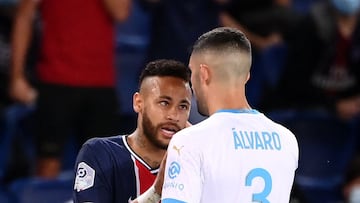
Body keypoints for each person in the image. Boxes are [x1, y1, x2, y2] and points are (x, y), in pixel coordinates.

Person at [160, 27, 299, 202]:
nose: (191, 85)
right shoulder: (287, 140)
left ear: (204, 74)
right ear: (246, 76)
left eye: (191, 73)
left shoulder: (189, 142)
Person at [9, 0, 131, 178]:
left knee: (101, 169)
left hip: (100, 82)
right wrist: (17, 76)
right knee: (47, 164)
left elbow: (120, 12)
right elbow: (23, 16)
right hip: (55, 79)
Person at [73, 59, 192, 203]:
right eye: (164, 103)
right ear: (138, 103)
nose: (174, 116)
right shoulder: (101, 153)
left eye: (183, 106)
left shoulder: (192, 163)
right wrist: (156, 192)